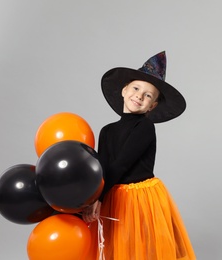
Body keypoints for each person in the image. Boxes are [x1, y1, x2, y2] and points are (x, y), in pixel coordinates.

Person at [83, 51, 196, 260]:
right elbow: (104, 166)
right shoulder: (107, 131)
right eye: (136, 88)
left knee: (142, 250)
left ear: (152, 106)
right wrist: (94, 198)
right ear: (124, 90)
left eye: (148, 95)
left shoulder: (145, 126)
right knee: (117, 248)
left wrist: (98, 197)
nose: (139, 96)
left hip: (139, 199)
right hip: (113, 196)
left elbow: (123, 163)